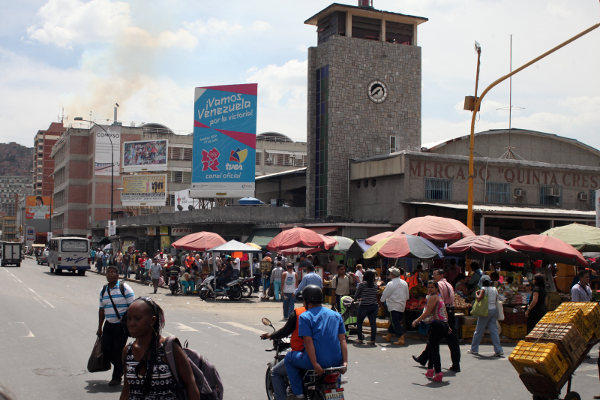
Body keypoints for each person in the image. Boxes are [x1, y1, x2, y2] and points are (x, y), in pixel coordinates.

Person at [120, 297, 199, 400]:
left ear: (152, 320)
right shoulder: (128, 351)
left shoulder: (170, 348)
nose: (131, 323)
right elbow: (127, 389)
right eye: (129, 319)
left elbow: (190, 384)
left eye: (137, 318)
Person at [284, 285, 348, 399]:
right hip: (337, 363)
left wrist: (315, 364)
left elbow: (308, 342)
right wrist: (345, 362)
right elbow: (342, 339)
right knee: (335, 384)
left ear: (306, 301)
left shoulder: (305, 316)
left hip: (317, 362)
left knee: (288, 358)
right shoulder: (336, 315)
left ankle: (298, 394)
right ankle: (335, 393)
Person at [97, 265, 135, 386]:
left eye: (114, 272)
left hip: (121, 326)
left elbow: (133, 307)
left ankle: (116, 377)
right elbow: (101, 310)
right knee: (105, 349)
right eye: (109, 272)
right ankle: (123, 367)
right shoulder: (103, 290)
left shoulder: (125, 288)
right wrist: (99, 327)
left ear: (118, 275)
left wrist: (131, 324)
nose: (111, 274)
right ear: (106, 275)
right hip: (108, 324)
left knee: (117, 350)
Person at [261, 302, 307, 400]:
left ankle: (297, 393)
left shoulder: (300, 314)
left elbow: (285, 331)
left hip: (305, 355)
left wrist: (271, 335)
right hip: (330, 358)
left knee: (276, 371)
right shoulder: (330, 314)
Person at [411, 281, 450, 383]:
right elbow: (445, 313)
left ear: (437, 288)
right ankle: (430, 370)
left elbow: (427, 312)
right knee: (432, 346)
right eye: (428, 287)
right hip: (442, 324)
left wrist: (416, 321)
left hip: (437, 324)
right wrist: (448, 326)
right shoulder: (439, 297)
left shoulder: (433, 298)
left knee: (434, 350)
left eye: (432, 287)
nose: (430, 289)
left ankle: (438, 373)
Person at [468, 275, 503, 357]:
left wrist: (477, 294)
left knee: (479, 330)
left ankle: (474, 349)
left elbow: (479, 298)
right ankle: (498, 350)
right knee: (494, 331)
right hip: (493, 310)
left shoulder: (483, 289)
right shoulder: (494, 289)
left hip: (485, 311)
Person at [380, 267, 409, 346]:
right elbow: (407, 296)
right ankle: (388, 336)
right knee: (395, 321)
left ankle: (401, 337)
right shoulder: (404, 283)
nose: (389, 274)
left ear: (392, 275)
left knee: (395, 322)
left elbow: (385, 294)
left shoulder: (390, 284)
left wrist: (381, 301)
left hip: (393, 305)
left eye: (390, 273)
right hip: (402, 305)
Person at [354, 269, 379, 345]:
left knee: (359, 322)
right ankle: (372, 340)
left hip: (364, 306)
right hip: (374, 306)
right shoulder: (375, 285)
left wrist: (356, 299)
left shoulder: (362, 284)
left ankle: (360, 338)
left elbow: (356, 295)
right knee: (373, 323)